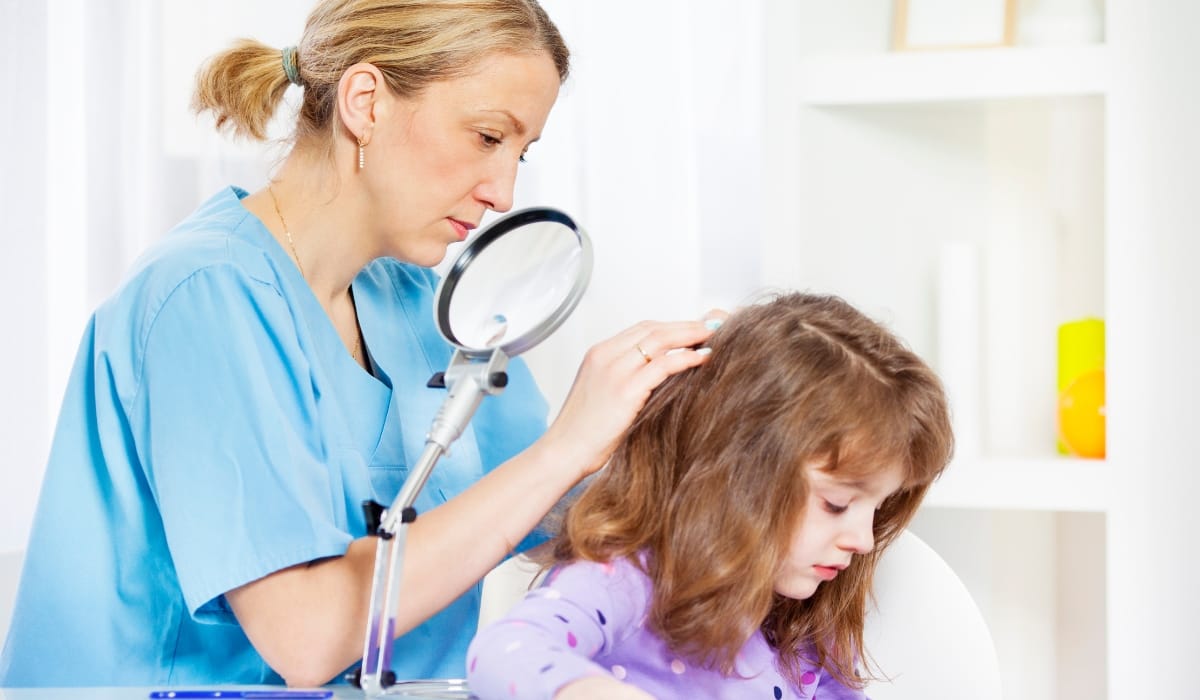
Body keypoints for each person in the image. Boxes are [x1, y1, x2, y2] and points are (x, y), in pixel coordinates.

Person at [0, 0, 718, 689]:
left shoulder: (416, 306)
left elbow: (584, 529)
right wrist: (563, 447)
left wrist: (739, 417)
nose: (503, 190)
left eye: (521, 153)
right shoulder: (200, 296)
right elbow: (307, 637)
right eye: (489, 137)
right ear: (366, 102)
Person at [466, 292, 955, 700]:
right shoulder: (627, 580)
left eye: (877, 508)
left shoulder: (796, 631)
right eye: (836, 504)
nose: (865, 540)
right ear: (734, 474)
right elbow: (505, 651)